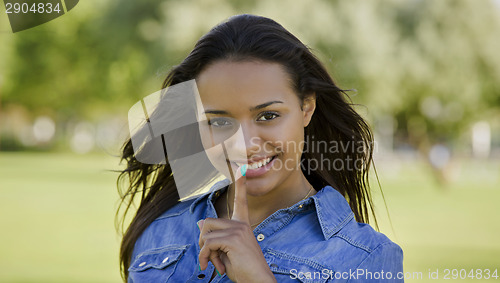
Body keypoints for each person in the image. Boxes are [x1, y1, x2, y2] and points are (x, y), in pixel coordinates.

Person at [117, 14, 403, 282]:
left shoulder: (367, 258)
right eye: (218, 122)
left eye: (268, 116)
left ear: (307, 107)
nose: (245, 145)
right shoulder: (159, 235)